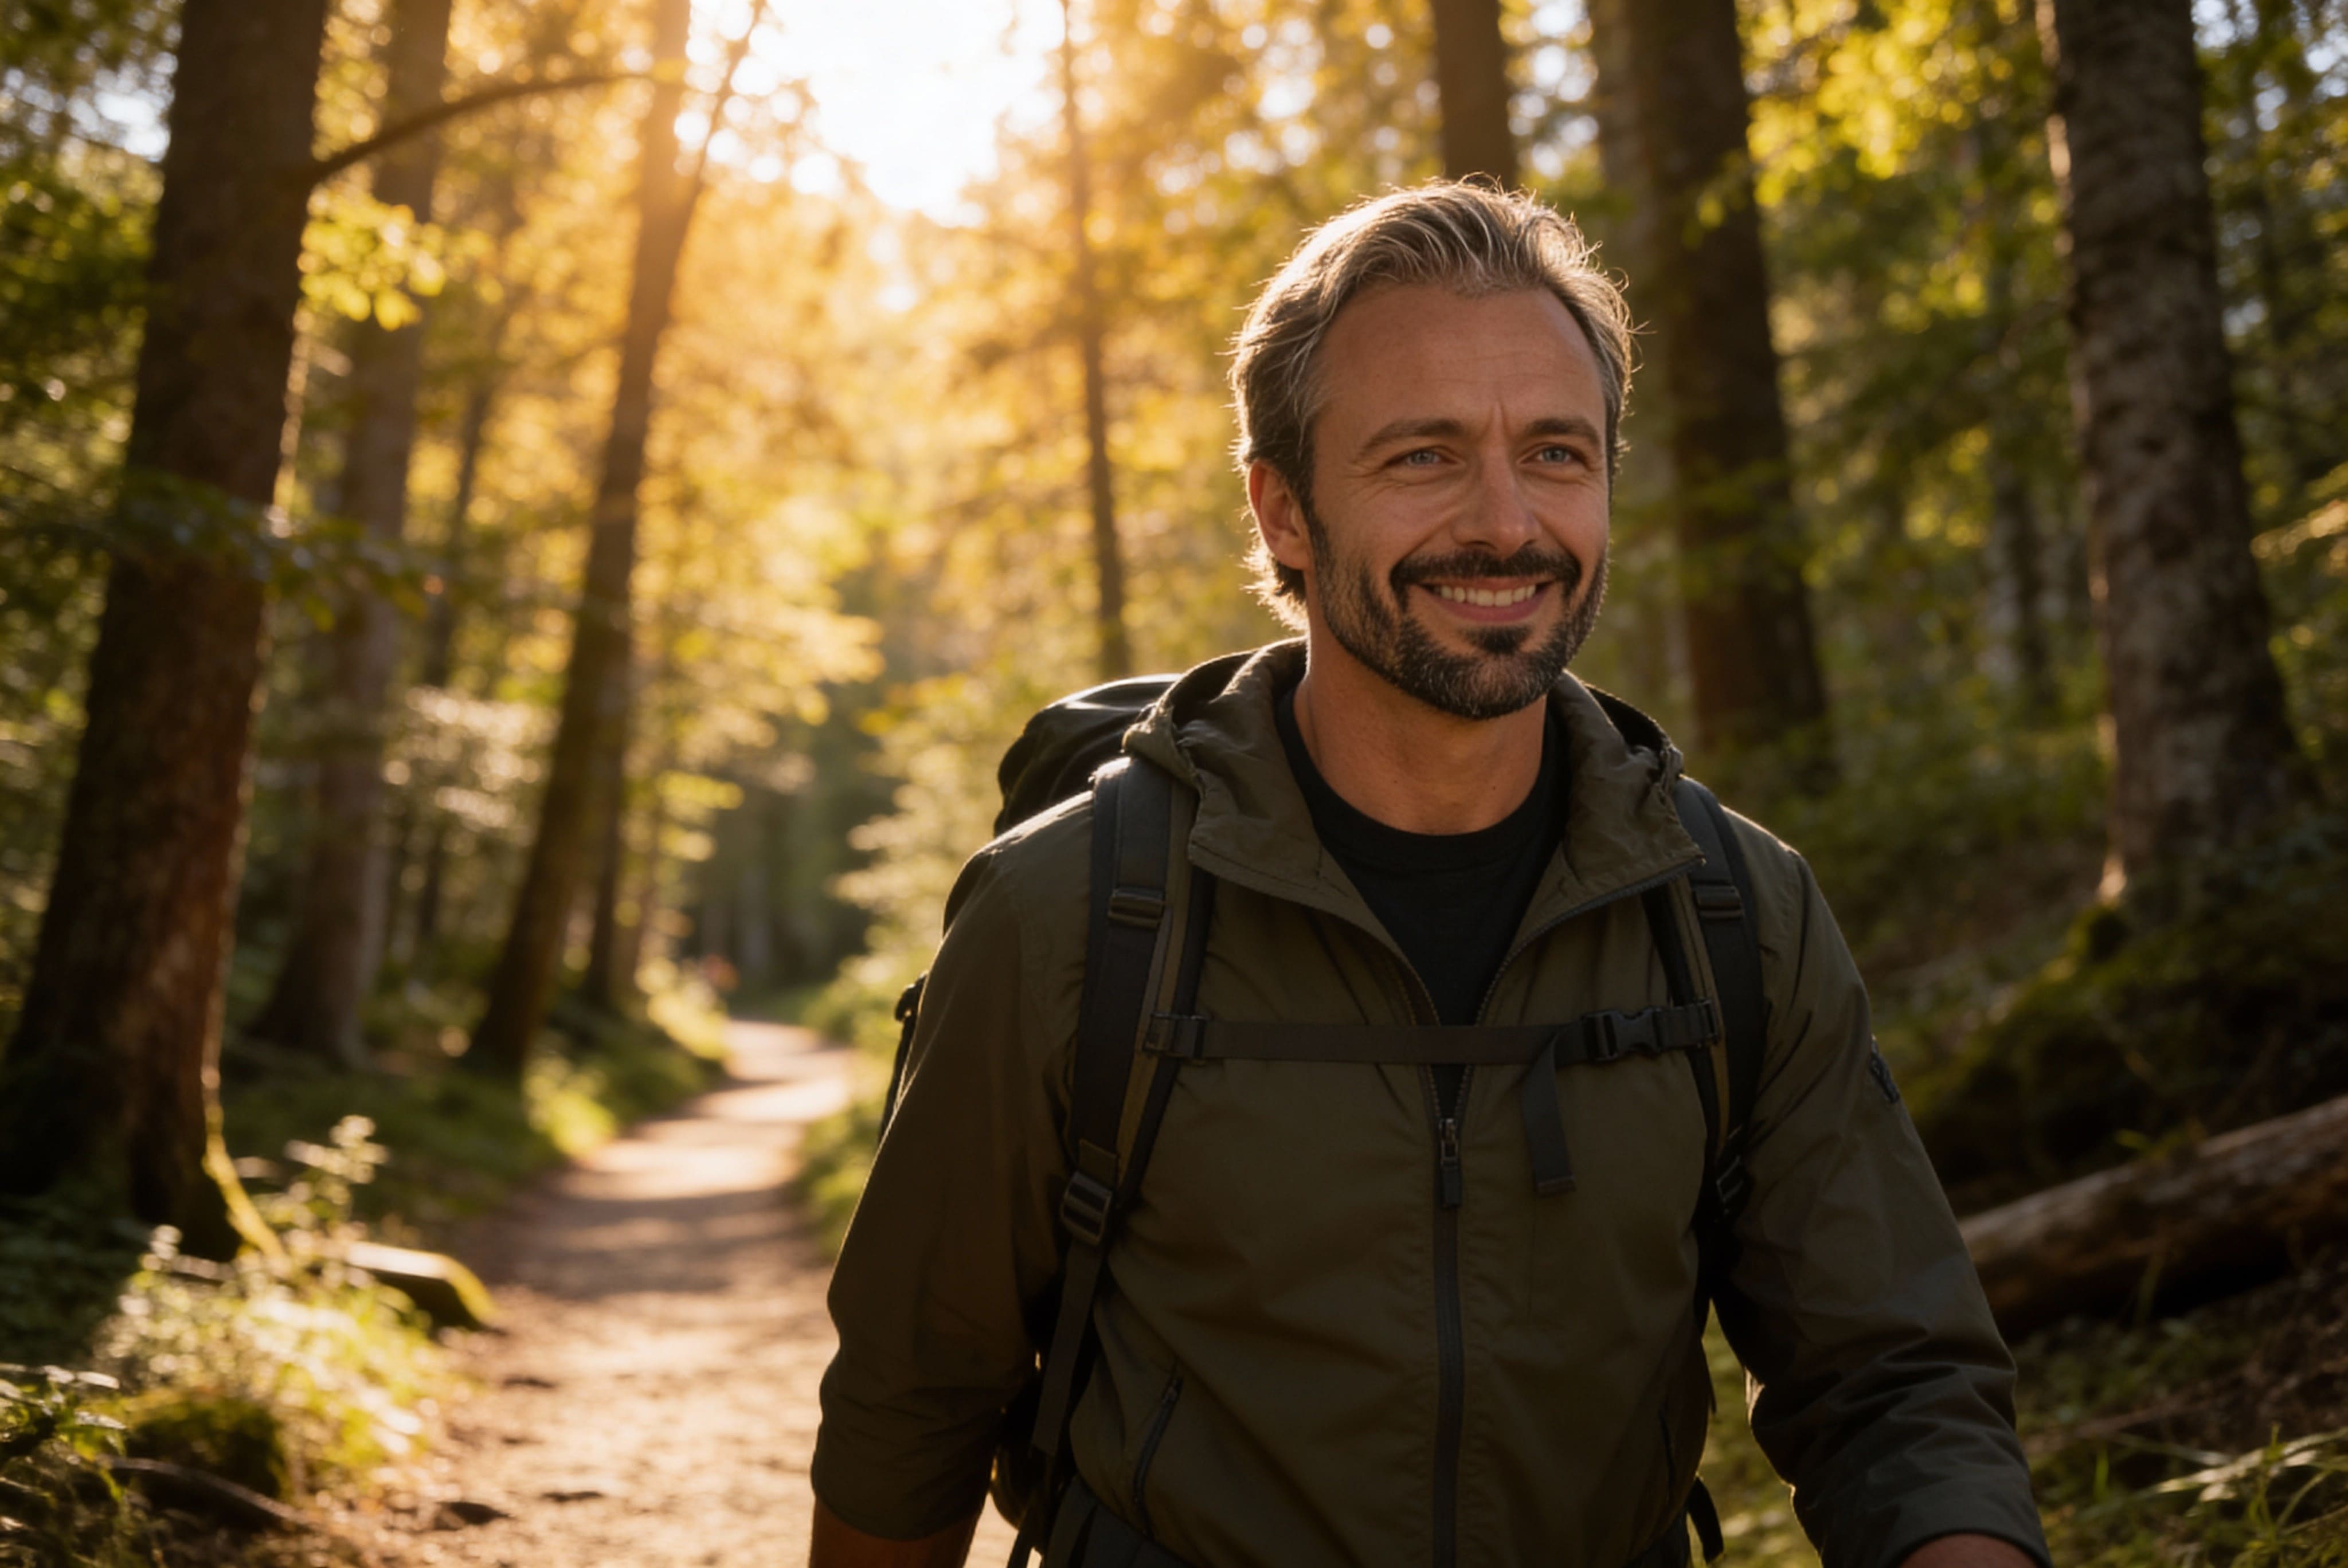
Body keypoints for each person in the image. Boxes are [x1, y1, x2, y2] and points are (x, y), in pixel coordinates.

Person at [807, 182, 2050, 1568]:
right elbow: (909, 1412)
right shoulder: (1070, 915)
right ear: (1282, 511)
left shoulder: (1733, 915)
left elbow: (1892, 1385)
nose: (1506, 523)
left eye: (1558, 453)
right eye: (1423, 457)